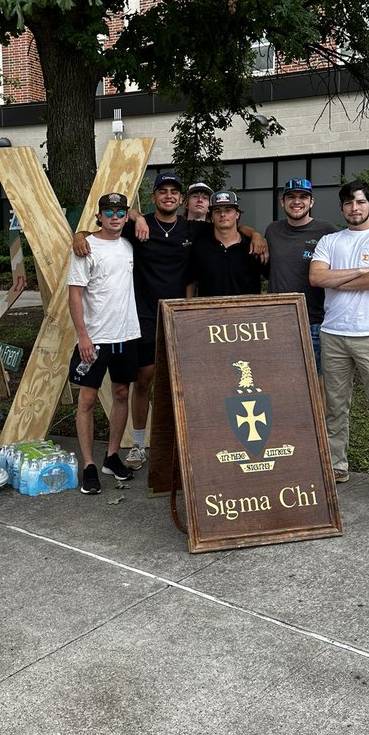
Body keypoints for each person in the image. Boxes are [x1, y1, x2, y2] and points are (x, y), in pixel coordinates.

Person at [73, 171, 267, 470]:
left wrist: (257, 235)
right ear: (155, 197)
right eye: (162, 191)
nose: (168, 196)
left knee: (188, 380)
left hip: (180, 317)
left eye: (174, 192)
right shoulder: (138, 226)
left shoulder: (194, 229)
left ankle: (193, 440)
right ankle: (138, 444)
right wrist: (79, 236)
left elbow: (231, 224)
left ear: (181, 199)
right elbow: (99, 234)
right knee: (143, 381)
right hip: (142, 317)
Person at [309, 181, 369, 507]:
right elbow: (316, 278)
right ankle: (336, 467)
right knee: (335, 408)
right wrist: (366, 271)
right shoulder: (329, 240)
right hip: (334, 334)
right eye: (349, 203)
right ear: (342, 209)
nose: (355, 208)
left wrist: (345, 278)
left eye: (361, 202)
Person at [67, 192, 140, 495]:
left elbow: (142, 218)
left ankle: (111, 456)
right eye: (108, 212)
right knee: (86, 400)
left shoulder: (127, 246)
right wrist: (83, 335)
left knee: (122, 393)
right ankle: (89, 466)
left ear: (126, 215)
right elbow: (74, 295)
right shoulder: (85, 248)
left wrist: (137, 215)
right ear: (98, 216)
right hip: (96, 338)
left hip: (127, 335)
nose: (114, 217)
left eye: (120, 212)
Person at [264, 178, 337, 380]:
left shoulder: (327, 232)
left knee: (316, 380)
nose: (297, 202)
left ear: (311, 202)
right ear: (282, 202)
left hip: (314, 322)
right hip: (278, 320)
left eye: (303, 197)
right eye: (291, 197)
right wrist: (253, 234)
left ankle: (320, 414)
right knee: (282, 379)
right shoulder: (272, 231)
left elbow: (345, 268)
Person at [186, 190, 266, 297]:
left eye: (228, 210)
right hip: (209, 312)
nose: (223, 214)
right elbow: (190, 280)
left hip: (248, 312)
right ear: (211, 217)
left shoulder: (253, 246)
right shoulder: (200, 247)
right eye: (217, 211)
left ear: (237, 214)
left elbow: (273, 277)